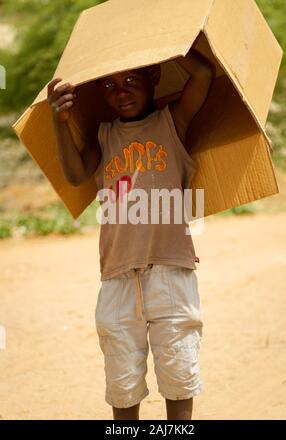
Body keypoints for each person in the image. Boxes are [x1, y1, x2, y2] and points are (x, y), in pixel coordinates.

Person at [47, 47, 215, 420]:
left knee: (178, 378)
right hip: (118, 280)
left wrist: (159, 39)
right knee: (122, 389)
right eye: (109, 85)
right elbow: (75, 176)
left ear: (153, 76)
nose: (121, 92)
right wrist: (58, 121)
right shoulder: (102, 135)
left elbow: (201, 74)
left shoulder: (173, 123)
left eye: (130, 80)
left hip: (171, 274)